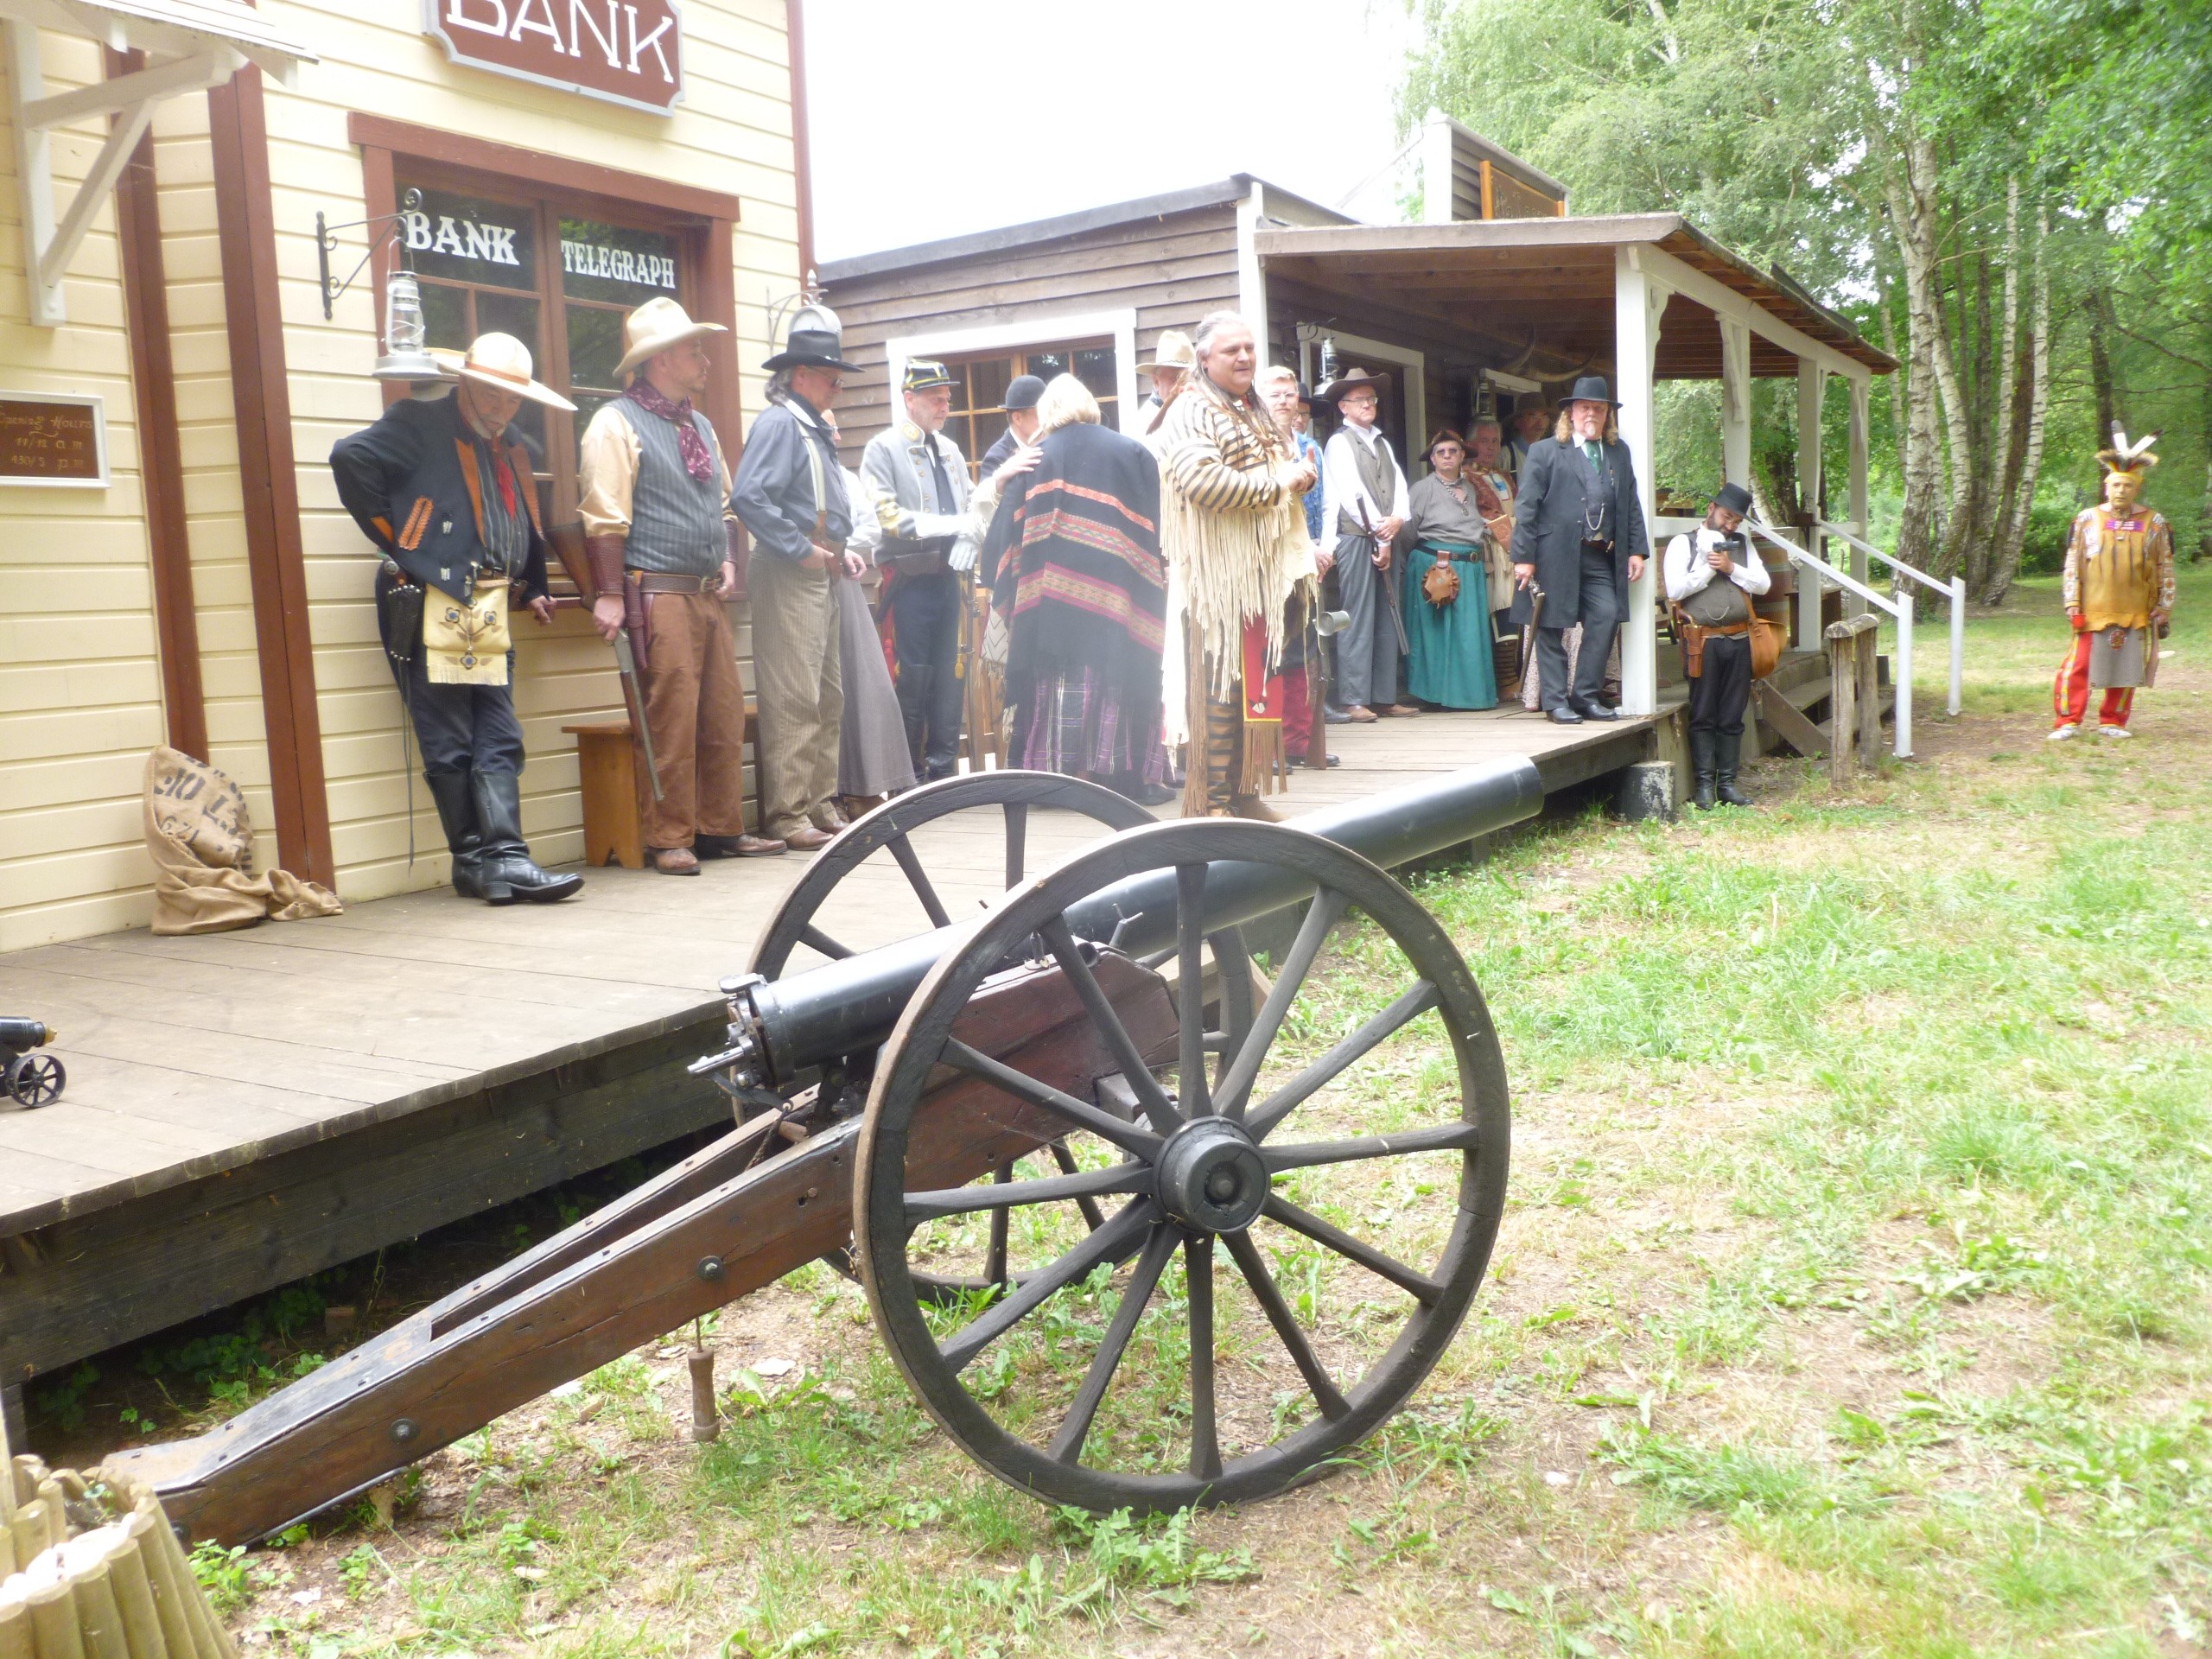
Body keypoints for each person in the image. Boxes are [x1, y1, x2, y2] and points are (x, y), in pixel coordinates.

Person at [330, 333, 582, 906]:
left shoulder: (507, 443)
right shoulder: (418, 422)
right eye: (491, 395)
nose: (501, 408)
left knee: (492, 731)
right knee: (455, 736)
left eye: (512, 399)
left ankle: (492, 864)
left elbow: (510, 518)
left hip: (482, 603)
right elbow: (351, 457)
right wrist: (408, 544)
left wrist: (530, 584)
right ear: (465, 383)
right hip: (435, 597)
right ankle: (489, 860)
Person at [576, 297, 782, 874]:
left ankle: (719, 828)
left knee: (720, 716)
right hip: (656, 593)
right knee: (668, 718)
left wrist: (729, 561)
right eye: (693, 349)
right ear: (662, 359)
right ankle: (669, 835)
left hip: (704, 591)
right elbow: (604, 515)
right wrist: (611, 593)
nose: (704, 358)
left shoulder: (701, 424)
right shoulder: (614, 423)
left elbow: (724, 502)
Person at [1157, 312, 1318, 818]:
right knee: (1220, 685)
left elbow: (1286, 461)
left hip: (1261, 574)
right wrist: (1282, 484)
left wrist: (1300, 476)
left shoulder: (1251, 409)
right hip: (1218, 578)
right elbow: (1201, 483)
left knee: (1256, 682)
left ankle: (1244, 791)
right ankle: (1211, 802)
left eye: (1249, 348)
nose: (1245, 357)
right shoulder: (1190, 409)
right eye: (1232, 350)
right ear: (1204, 359)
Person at [983, 374, 1170, 797]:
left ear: (1048, 412)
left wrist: (1000, 578)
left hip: (1051, 606)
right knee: (1120, 674)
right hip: (1122, 596)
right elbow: (1158, 527)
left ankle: (1057, 779)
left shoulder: (1035, 456)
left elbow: (1002, 538)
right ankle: (1124, 776)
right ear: (1090, 404)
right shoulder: (1133, 450)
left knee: (1059, 680)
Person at [728, 301, 868, 851]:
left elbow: (818, 503)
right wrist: (798, 547)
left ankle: (817, 800)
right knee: (794, 694)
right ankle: (786, 814)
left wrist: (841, 550)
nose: (838, 386)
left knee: (826, 694)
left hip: (820, 567)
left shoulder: (809, 426)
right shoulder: (780, 423)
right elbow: (747, 496)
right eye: (831, 377)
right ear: (801, 375)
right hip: (791, 572)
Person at [1510, 375, 1649, 724]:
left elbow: (1630, 503)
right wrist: (1524, 558)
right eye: (1585, 408)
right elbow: (1526, 507)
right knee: (1551, 625)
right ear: (1571, 413)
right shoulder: (1545, 452)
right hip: (1551, 554)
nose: (1592, 414)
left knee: (1605, 616)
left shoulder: (1618, 451)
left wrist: (1636, 550)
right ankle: (1556, 702)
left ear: (1607, 415)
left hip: (1598, 553)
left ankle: (1585, 696)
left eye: (1599, 409)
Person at [863, 359, 977, 781]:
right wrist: (951, 526)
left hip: (949, 577)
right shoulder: (883, 448)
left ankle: (942, 770)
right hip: (908, 581)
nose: (944, 405)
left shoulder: (950, 450)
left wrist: (970, 535)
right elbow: (886, 516)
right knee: (912, 674)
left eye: (947, 398)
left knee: (950, 670)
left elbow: (969, 507)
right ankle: (908, 774)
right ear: (909, 399)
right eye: (935, 398)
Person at [2050, 434, 2176, 741]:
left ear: (2137, 488)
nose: (2121, 490)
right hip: (2093, 607)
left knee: (2127, 665)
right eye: (2116, 485)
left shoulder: (2155, 523)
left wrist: (2164, 605)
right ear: (2107, 486)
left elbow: (2165, 566)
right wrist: (2072, 601)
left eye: (2128, 485)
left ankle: (2113, 721)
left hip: (2135, 608)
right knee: (2078, 665)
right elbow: (2073, 563)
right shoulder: (2086, 520)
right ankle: (2068, 720)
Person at [1318, 368, 1417, 721]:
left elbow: (1400, 487)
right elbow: (1350, 494)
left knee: (1388, 614)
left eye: (1371, 399)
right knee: (1358, 616)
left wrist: (1398, 520)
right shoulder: (1339, 443)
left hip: (1386, 537)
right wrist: (1380, 532)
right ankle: (1353, 698)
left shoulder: (1382, 442)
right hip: (1358, 539)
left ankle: (1384, 696)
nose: (1368, 405)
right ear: (1344, 406)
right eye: (1360, 400)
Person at [1664, 482, 1770, 807]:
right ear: (1711, 509)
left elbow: (1764, 584)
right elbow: (1675, 589)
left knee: (1733, 714)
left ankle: (1727, 784)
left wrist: (1731, 567)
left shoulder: (1742, 545)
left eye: (1737, 521)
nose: (1731, 525)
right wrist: (1709, 570)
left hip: (1739, 638)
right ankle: (1704, 787)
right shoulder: (1683, 544)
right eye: (1727, 516)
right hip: (1703, 641)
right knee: (1703, 713)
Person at [829, 440, 917, 807]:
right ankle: (833, 794)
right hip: (803, 576)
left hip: (842, 576)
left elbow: (871, 525)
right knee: (822, 691)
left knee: (866, 683)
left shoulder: (843, 479)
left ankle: (867, 785)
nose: (834, 437)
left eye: (836, 429)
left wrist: (843, 546)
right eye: (826, 427)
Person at [1260, 365, 1334, 768]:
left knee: (1305, 651)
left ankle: (1299, 741)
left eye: (1289, 394)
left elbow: (1322, 505)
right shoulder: (1255, 443)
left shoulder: (1310, 445)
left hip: (1308, 560)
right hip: (1270, 558)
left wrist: (1321, 547)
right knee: (1272, 650)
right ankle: (1267, 743)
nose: (1284, 401)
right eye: (1275, 394)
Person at [1399, 429, 1499, 710]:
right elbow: (1407, 531)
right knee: (1434, 635)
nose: (1447, 456)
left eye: (1452, 451)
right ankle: (1434, 697)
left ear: (1462, 456)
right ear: (1432, 459)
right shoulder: (1422, 489)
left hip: (1471, 567)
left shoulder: (1470, 487)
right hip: (1435, 567)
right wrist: (1416, 564)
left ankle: (1468, 697)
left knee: (1468, 635)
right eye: (1440, 452)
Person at [1466, 417, 1521, 643]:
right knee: (1499, 623)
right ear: (1471, 444)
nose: (1491, 447)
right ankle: (1504, 676)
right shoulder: (1465, 477)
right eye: (1484, 441)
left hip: (1515, 554)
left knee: (1518, 619)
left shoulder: (1505, 475)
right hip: (1493, 558)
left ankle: (1514, 675)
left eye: (1495, 441)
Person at [1132, 330, 1195, 441]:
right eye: (1177, 378)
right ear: (1156, 381)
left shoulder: (1203, 411)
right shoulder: (1142, 425)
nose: (1185, 387)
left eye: (1193, 378)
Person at [1508, 400, 1550, 475]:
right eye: (1533, 417)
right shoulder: (1507, 455)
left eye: (1544, 417)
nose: (1540, 423)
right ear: (1518, 422)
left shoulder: (1550, 453)